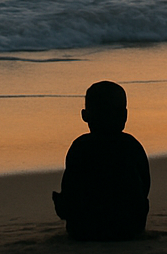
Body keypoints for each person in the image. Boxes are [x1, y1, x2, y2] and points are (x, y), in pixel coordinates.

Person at [52, 81, 151, 241]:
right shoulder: (131, 145)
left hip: (84, 229)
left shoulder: (81, 146)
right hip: (128, 227)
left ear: (85, 115)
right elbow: (145, 185)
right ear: (125, 115)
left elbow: (70, 187)